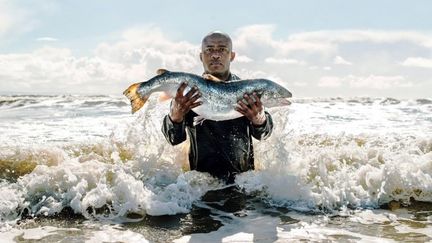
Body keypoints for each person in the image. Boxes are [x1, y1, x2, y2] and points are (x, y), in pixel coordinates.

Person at [161, 31, 273, 183]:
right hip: (201, 185)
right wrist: (175, 118)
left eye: (221, 49)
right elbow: (174, 139)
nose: (215, 55)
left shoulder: (246, 92)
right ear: (201, 56)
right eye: (209, 50)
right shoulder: (187, 93)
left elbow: (264, 135)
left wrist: (259, 120)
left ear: (231, 56)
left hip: (244, 184)